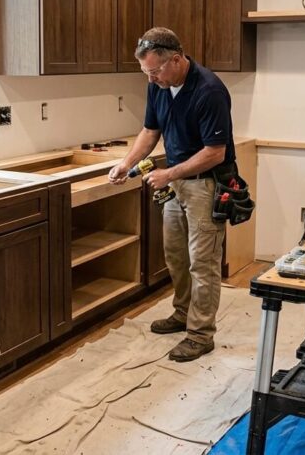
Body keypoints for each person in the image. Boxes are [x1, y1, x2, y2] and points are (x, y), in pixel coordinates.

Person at [109, 27, 236, 363]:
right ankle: (182, 314)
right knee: (177, 256)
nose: (151, 80)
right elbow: (151, 131)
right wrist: (127, 163)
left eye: (155, 71)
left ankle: (200, 334)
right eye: (146, 73)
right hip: (177, 183)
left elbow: (215, 152)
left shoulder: (209, 90)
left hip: (206, 184)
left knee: (203, 262)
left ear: (176, 59)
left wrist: (168, 173)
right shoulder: (159, 87)